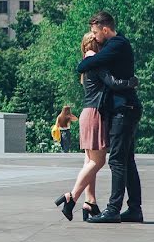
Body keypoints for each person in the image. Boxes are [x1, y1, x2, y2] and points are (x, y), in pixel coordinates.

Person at [55, 32, 138, 221]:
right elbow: (111, 82)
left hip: (88, 113)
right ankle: (72, 197)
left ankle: (89, 201)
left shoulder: (88, 61)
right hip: (94, 114)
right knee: (98, 162)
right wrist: (130, 82)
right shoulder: (95, 60)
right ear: (94, 43)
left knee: (89, 160)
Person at [79, 11, 144, 224]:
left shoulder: (116, 44)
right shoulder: (115, 45)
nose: (95, 37)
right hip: (127, 107)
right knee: (127, 160)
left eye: (96, 32)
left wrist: (89, 58)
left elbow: (84, 66)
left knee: (117, 160)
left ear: (105, 29)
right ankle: (134, 209)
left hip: (123, 109)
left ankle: (113, 209)